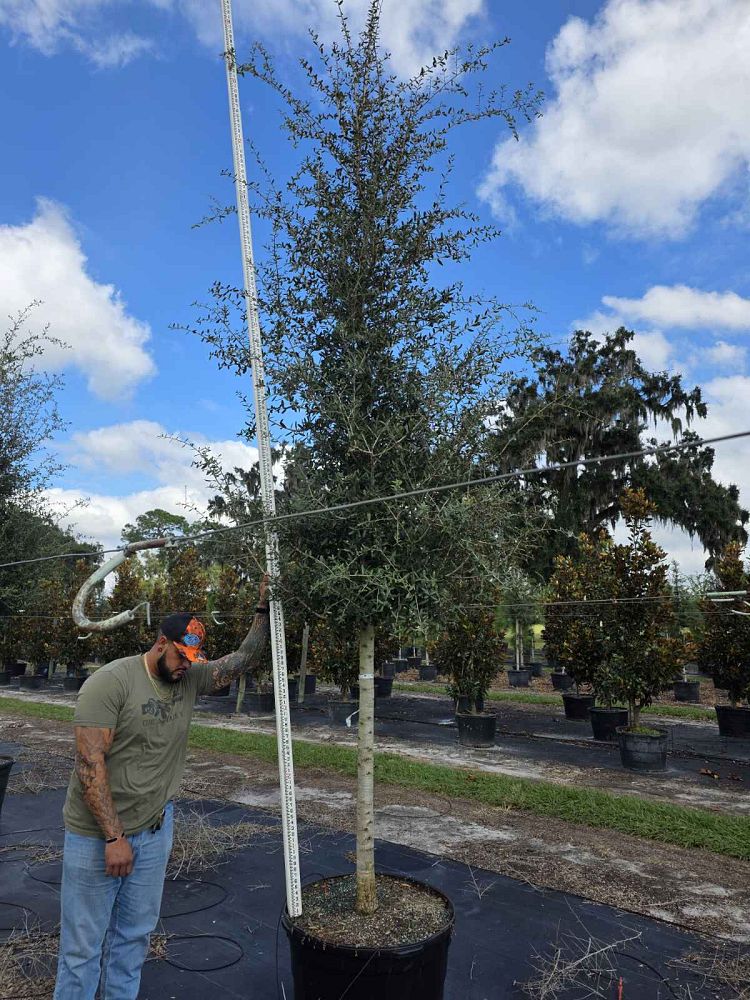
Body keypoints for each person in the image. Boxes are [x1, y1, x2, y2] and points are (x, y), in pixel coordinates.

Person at [53, 577, 270, 1000]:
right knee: (81, 950)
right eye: (182, 654)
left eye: (193, 657)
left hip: (154, 832)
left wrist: (263, 610)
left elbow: (243, 660)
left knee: (133, 939)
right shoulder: (110, 682)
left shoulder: (188, 679)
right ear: (160, 643)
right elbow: (89, 764)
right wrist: (115, 838)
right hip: (95, 836)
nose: (188, 664)